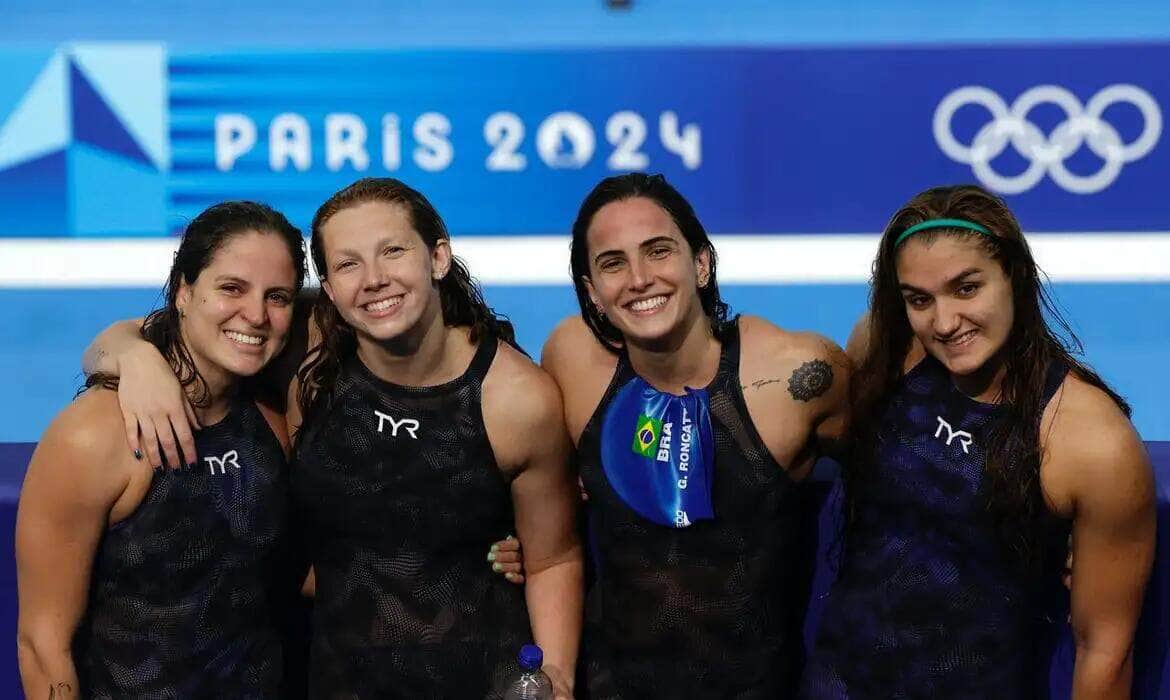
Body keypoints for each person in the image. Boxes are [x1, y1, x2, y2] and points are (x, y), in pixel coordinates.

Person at [82, 177, 582, 699]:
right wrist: (134, 355)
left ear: (438, 257)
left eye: (393, 251)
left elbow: (555, 559)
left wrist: (558, 680)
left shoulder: (516, 400)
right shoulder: (305, 341)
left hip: (482, 681)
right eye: (348, 264)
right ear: (328, 285)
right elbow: (155, 330)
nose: (374, 280)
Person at [800, 185, 1156, 698]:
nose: (944, 323)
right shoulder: (885, 348)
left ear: (1015, 275)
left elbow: (1104, 650)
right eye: (919, 300)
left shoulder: (1091, 442)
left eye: (966, 289)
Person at [541, 173, 850, 697]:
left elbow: (891, 471)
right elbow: (540, 500)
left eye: (658, 251)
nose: (639, 279)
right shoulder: (571, 362)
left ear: (701, 264)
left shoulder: (797, 376)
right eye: (613, 263)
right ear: (591, 293)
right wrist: (509, 538)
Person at [17, 202, 308, 698]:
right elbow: (43, 647)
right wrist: (132, 351)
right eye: (231, 288)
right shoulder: (94, 435)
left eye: (277, 296)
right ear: (184, 292)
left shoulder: (272, 417)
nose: (256, 314)